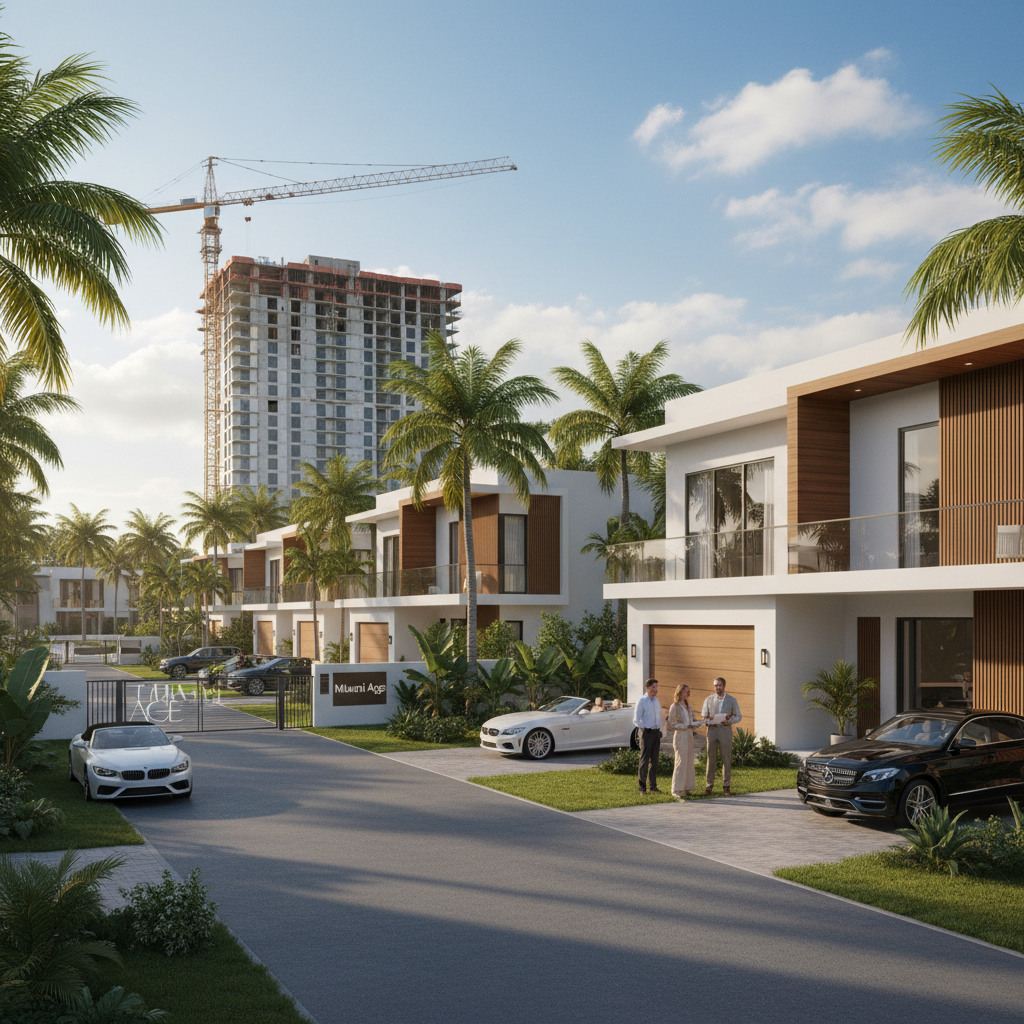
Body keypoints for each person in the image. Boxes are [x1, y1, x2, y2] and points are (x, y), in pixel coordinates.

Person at [701, 676, 742, 795]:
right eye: (715, 686)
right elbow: (704, 716)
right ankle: (709, 786)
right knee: (711, 759)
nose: (717, 688)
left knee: (726, 759)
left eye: (719, 685)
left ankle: (726, 787)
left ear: (724, 686)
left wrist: (730, 721)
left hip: (725, 730)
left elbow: (738, 716)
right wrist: (708, 721)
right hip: (712, 731)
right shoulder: (708, 699)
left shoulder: (732, 700)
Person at [666, 683, 698, 799]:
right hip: (680, 736)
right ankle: (676, 789)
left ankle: (686, 788)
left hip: (689, 736)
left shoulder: (688, 706)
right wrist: (685, 726)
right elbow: (671, 724)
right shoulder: (675, 706)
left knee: (689, 761)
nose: (688, 694)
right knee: (680, 762)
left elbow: (692, 720)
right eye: (686, 692)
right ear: (680, 692)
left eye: (689, 692)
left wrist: (697, 724)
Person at [632, 678, 664, 794]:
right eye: (653, 688)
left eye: (656, 687)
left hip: (656, 732)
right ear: (647, 688)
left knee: (655, 761)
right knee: (644, 761)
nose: (655, 690)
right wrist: (645, 729)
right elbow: (636, 719)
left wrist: (659, 729)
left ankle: (653, 786)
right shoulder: (642, 700)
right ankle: (642, 788)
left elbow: (658, 716)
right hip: (646, 732)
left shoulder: (656, 701)